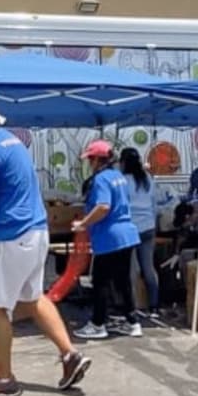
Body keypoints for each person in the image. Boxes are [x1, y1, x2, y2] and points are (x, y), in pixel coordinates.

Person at [0, 91, 91, 396]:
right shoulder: (10, 141)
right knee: (32, 297)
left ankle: (3, 377)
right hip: (36, 231)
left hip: (10, 237)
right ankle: (70, 355)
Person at [73, 140, 143, 340]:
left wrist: (83, 223)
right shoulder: (118, 177)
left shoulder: (101, 180)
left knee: (100, 282)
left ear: (97, 160)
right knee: (123, 281)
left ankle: (97, 324)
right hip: (127, 234)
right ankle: (133, 322)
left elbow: (103, 206)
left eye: (90, 159)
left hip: (109, 236)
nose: (89, 163)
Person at [121, 148, 160, 319]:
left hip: (130, 228)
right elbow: (154, 204)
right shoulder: (147, 179)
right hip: (149, 227)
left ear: (123, 163)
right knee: (148, 268)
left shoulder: (122, 181)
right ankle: (154, 306)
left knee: (132, 270)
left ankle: (133, 307)